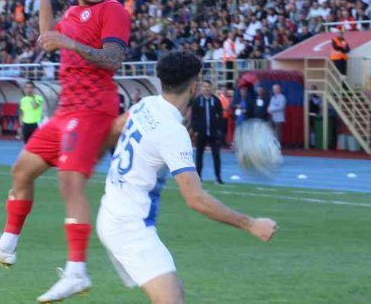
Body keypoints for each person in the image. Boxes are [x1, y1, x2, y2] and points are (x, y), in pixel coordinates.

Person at [0, 0, 131, 303]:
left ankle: (76, 272)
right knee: (21, 171)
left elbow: (114, 59)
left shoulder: (113, 10)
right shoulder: (72, 11)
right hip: (65, 111)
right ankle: (6, 246)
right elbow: (48, 39)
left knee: (69, 183)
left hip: (93, 109)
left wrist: (69, 41)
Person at [97, 51, 278, 304]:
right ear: (193, 87)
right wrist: (251, 224)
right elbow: (195, 199)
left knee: (172, 295)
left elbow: (115, 128)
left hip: (111, 211)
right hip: (130, 226)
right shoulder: (173, 131)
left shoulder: (145, 105)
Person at [190, 80, 224, 184]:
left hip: (213, 133)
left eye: (208, 86)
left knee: (216, 156)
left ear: (211, 88)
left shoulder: (216, 100)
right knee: (199, 156)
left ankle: (218, 178)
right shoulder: (197, 101)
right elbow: (194, 117)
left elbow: (220, 116)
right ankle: (198, 177)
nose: (206, 89)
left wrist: (219, 130)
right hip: (201, 133)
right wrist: (195, 130)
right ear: (201, 88)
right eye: (204, 87)